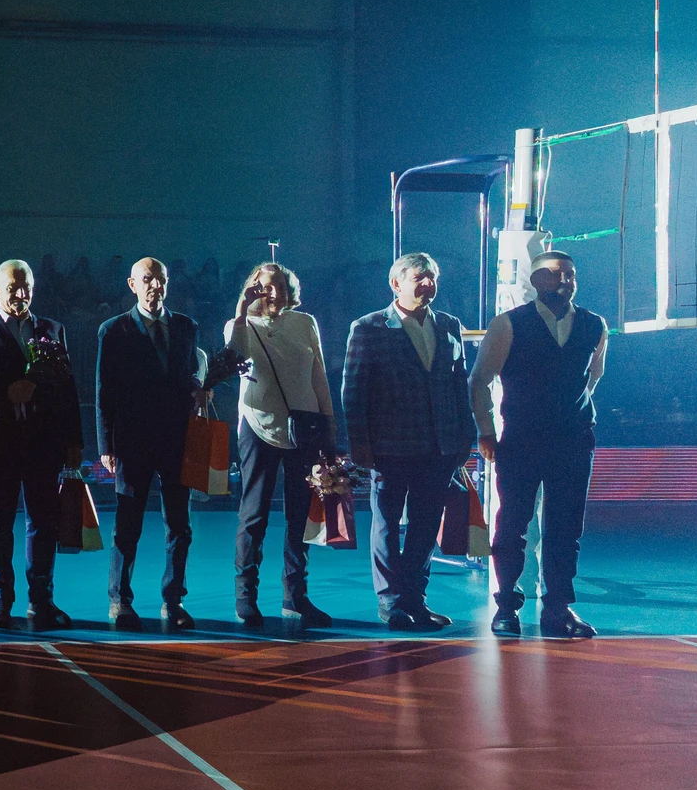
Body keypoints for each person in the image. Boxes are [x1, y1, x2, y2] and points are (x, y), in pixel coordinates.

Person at [471, 251, 608, 639]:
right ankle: (506, 606)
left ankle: (558, 609)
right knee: (513, 524)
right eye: (555, 274)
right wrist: (486, 431)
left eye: (571, 275)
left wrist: (568, 409)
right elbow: (479, 380)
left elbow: (592, 377)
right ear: (535, 281)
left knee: (566, 527)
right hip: (522, 439)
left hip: (573, 440)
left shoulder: (595, 324)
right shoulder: (509, 323)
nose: (565, 281)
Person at [342, 253, 474, 631]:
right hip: (389, 446)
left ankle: (416, 599)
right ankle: (391, 603)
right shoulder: (368, 327)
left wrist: (465, 435)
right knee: (386, 525)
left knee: (426, 525)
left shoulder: (449, 324)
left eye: (433, 277)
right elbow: (353, 389)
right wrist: (359, 442)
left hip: (440, 446)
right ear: (396, 283)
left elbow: (459, 383)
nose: (428, 284)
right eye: (420, 277)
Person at [0, 259, 84, 629]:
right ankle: (0, 600)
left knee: (44, 523)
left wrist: (74, 441)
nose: (20, 294)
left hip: (45, 444)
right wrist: (6, 393)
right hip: (0, 446)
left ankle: (41, 600)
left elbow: (68, 388)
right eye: (12, 287)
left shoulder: (53, 330)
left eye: (26, 286)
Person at [94, 258, 204, 630]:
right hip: (132, 442)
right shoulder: (113, 330)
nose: (155, 286)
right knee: (128, 524)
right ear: (132, 284)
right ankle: (119, 600)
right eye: (147, 279)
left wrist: (196, 388)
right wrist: (106, 444)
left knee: (180, 525)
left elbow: (189, 374)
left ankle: (173, 601)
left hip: (176, 440)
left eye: (161, 279)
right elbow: (104, 391)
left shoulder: (187, 326)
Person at [223, 261, 334, 630]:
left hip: (303, 428)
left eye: (281, 286)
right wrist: (242, 309)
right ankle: (245, 596)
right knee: (254, 513)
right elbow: (235, 357)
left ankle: (295, 596)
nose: (274, 293)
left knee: (300, 514)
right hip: (258, 426)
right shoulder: (240, 324)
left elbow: (319, 375)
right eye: (265, 286)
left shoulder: (306, 323)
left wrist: (329, 424)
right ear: (253, 289)